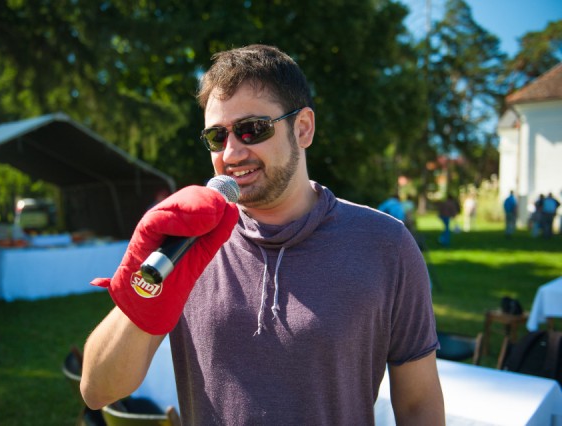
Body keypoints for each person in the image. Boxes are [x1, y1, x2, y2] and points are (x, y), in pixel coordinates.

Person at [81, 44, 444, 425]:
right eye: (217, 137)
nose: (231, 154)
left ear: (302, 128)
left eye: (252, 129)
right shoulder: (185, 242)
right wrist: (142, 289)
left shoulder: (385, 244)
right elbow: (97, 391)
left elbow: (418, 403)